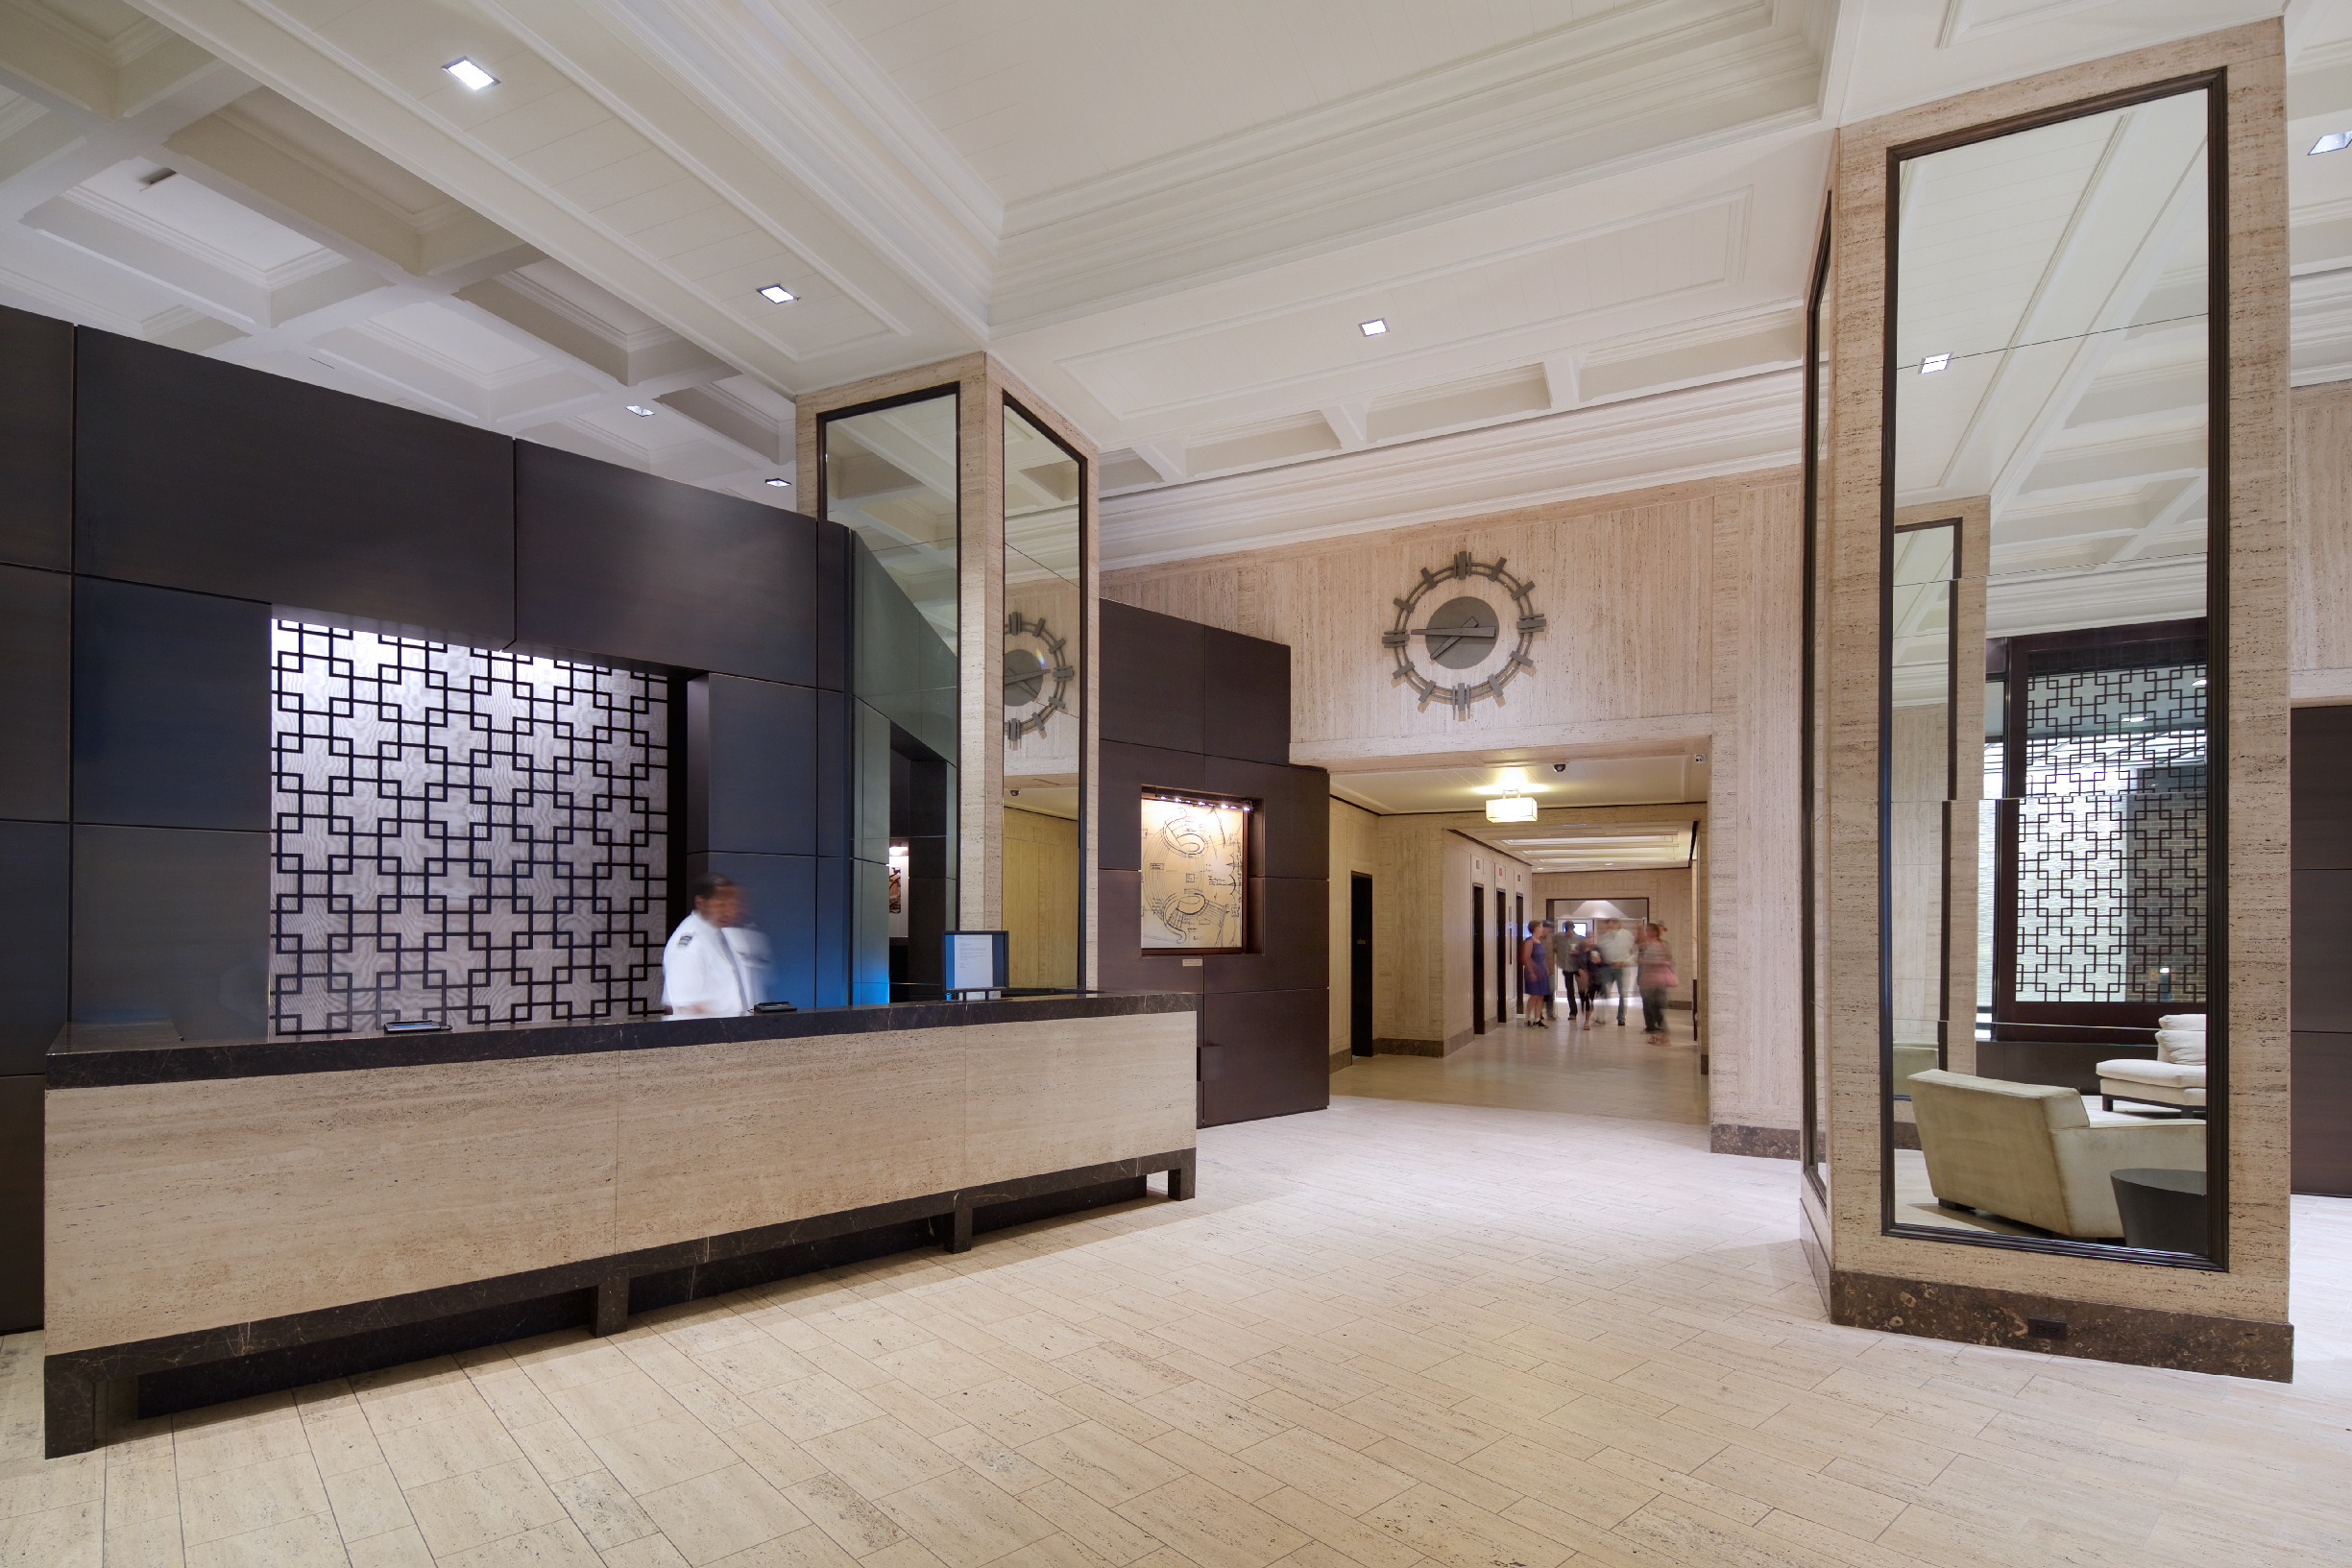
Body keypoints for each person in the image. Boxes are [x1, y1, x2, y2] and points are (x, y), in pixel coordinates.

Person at [661, 873, 771, 1018]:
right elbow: (684, 1006)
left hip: (737, 1026)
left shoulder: (724, 933)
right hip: (706, 1030)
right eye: (721, 905)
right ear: (701, 903)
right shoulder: (690, 946)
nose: (729, 912)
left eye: (732, 904)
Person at [1637, 922, 1679, 1041]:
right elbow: (1639, 959)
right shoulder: (1644, 945)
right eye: (1647, 931)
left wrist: (1654, 962)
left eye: (1650, 930)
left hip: (1659, 979)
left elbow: (1668, 960)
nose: (1648, 933)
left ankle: (1662, 1033)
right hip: (1647, 979)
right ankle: (1655, 1034)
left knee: (1657, 1007)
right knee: (1649, 1007)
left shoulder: (1663, 944)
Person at [1595, 918, 1638, 1025]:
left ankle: (1621, 1018)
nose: (1609, 929)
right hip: (1608, 967)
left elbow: (1634, 952)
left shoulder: (1627, 935)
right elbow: (1600, 951)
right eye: (1608, 927)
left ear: (1617, 924)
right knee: (1604, 991)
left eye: (1611, 926)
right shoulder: (1605, 937)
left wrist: (1626, 962)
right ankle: (1600, 1017)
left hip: (1622, 968)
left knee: (1623, 993)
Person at [1519, 920, 1553, 1023]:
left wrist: (1546, 970)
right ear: (1536, 928)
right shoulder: (1529, 941)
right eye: (1541, 927)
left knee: (1541, 995)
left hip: (1542, 971)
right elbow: (1526, 957)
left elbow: (1542, 958)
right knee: (1534, 995)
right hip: (1533, 971)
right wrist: (1532, 971)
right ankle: (1528, 1018)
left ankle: (1537, 1019)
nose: (1542, 929)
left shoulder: (1540, 941)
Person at [1546, 921, 1580, 1018]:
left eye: (1570, 928)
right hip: (1567, 967)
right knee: (1570, 990)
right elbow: (1549, 939)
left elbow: (1584, 951)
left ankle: (1585, 1009)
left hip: (1578, 967)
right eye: (1567, 928)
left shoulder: (1579, 938)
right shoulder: (1558, 936)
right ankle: (1573, 1012)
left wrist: (1578, 952)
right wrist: (1555, 948)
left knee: (1582, 990)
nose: (1569, 930)